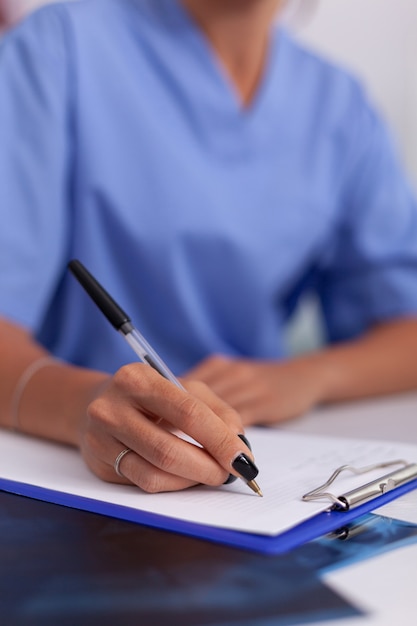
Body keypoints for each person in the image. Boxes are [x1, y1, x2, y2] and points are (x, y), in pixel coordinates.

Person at [1, 0, 417, 493]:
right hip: (68, 468)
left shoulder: (339, 105)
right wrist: (83, 406)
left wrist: (306, 377)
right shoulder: (60, 46)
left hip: (260, 449)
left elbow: (404, 326)